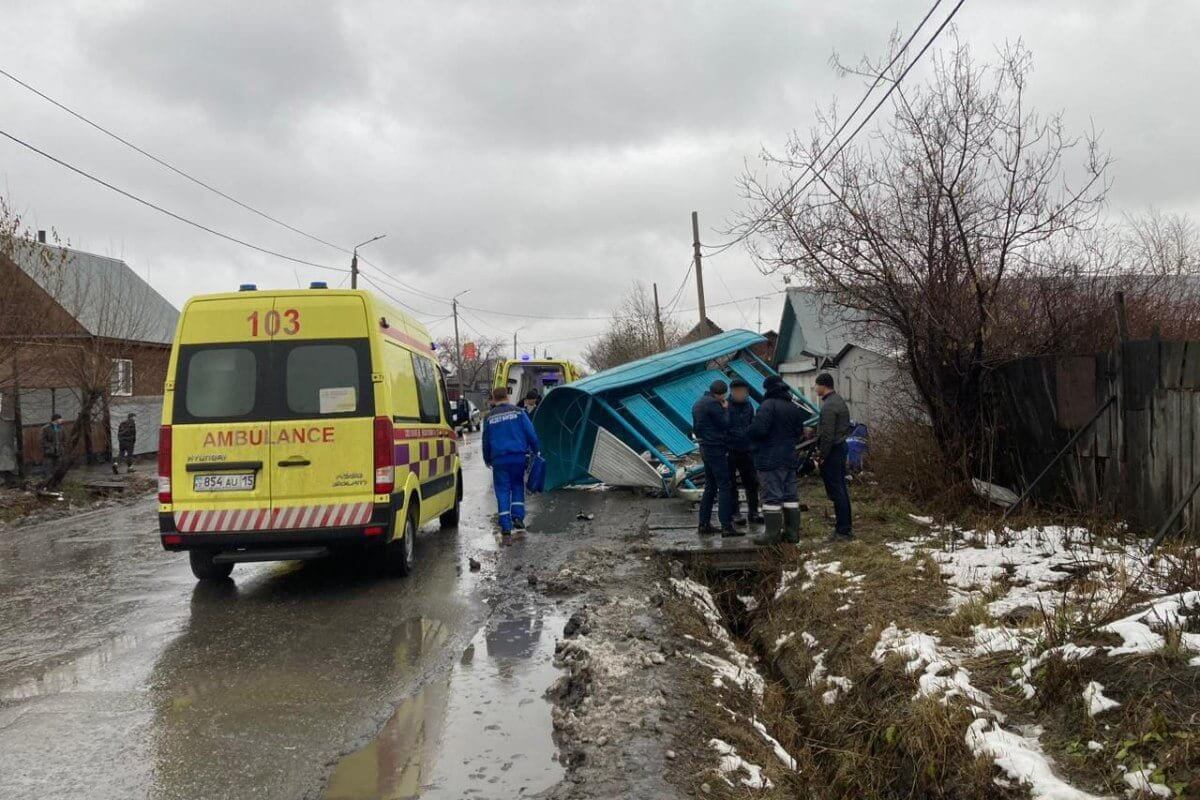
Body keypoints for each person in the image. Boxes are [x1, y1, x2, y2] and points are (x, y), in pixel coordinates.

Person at [748, 375, 806, 544]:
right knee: (790, 497)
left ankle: (772, 534)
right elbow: (799, 432)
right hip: (789, 457)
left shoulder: (768, 406)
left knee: (772, 497)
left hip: (770, 458)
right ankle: (792, 533)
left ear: (768, 389)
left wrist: (749, 433)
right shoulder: (793, 407)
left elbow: (758, 430)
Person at [482, 386, 540, 536]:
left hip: (499, 459)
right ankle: (518, 518)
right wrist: (536, 450)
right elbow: (531, 433)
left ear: (494, 399)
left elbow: (486, 441)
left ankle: (506, 526)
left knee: (502, 490)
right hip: (518, 457)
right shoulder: (519, 412)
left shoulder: (489, 417)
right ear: (507, 397)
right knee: (517, 486)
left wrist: (487, 459)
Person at [691, 379, 738, 537]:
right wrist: (726, 409)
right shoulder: (714, 404)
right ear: (721, 394)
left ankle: (703, 524)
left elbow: (696, 428)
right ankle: (726, 526)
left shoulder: (698, 403)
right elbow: (725, 423)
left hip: (704, 447)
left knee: (710, 486)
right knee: (724, 485)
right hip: (715, 448)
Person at [814, 372, 853, 541]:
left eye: (816, 385)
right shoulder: (838, 401)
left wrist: (822, 455)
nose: (815, 388)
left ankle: (843, 530)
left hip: (834, 451)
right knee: (841, 489)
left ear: (823, 385)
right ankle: (844, 527)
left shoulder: (829, 406)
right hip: (840, 448)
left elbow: (828, 435)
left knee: (837, 491)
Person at [726, 378, 761, 525]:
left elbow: (751, 423)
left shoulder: (748, 405)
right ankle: (735, 513)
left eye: (744, 392)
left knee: (752, 482)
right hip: (731, 449)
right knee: (731, 483)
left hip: (747, 450)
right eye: (738, 392)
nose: (741, 394)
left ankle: (753, 512)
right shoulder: (725, 406)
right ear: (732, 392)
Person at [41, 413, 66, 477]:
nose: (62, 420)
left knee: (58, 467)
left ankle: (56, 480)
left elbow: (64, 439)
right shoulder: (46, 428)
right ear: (56, 419)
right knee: (48, 467)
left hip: (59, 451)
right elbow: (42, 440)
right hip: (49, 451)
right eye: (60, 419)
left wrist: (63, 446)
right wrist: (49, 447)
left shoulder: (61, 428)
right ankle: (47, 480)